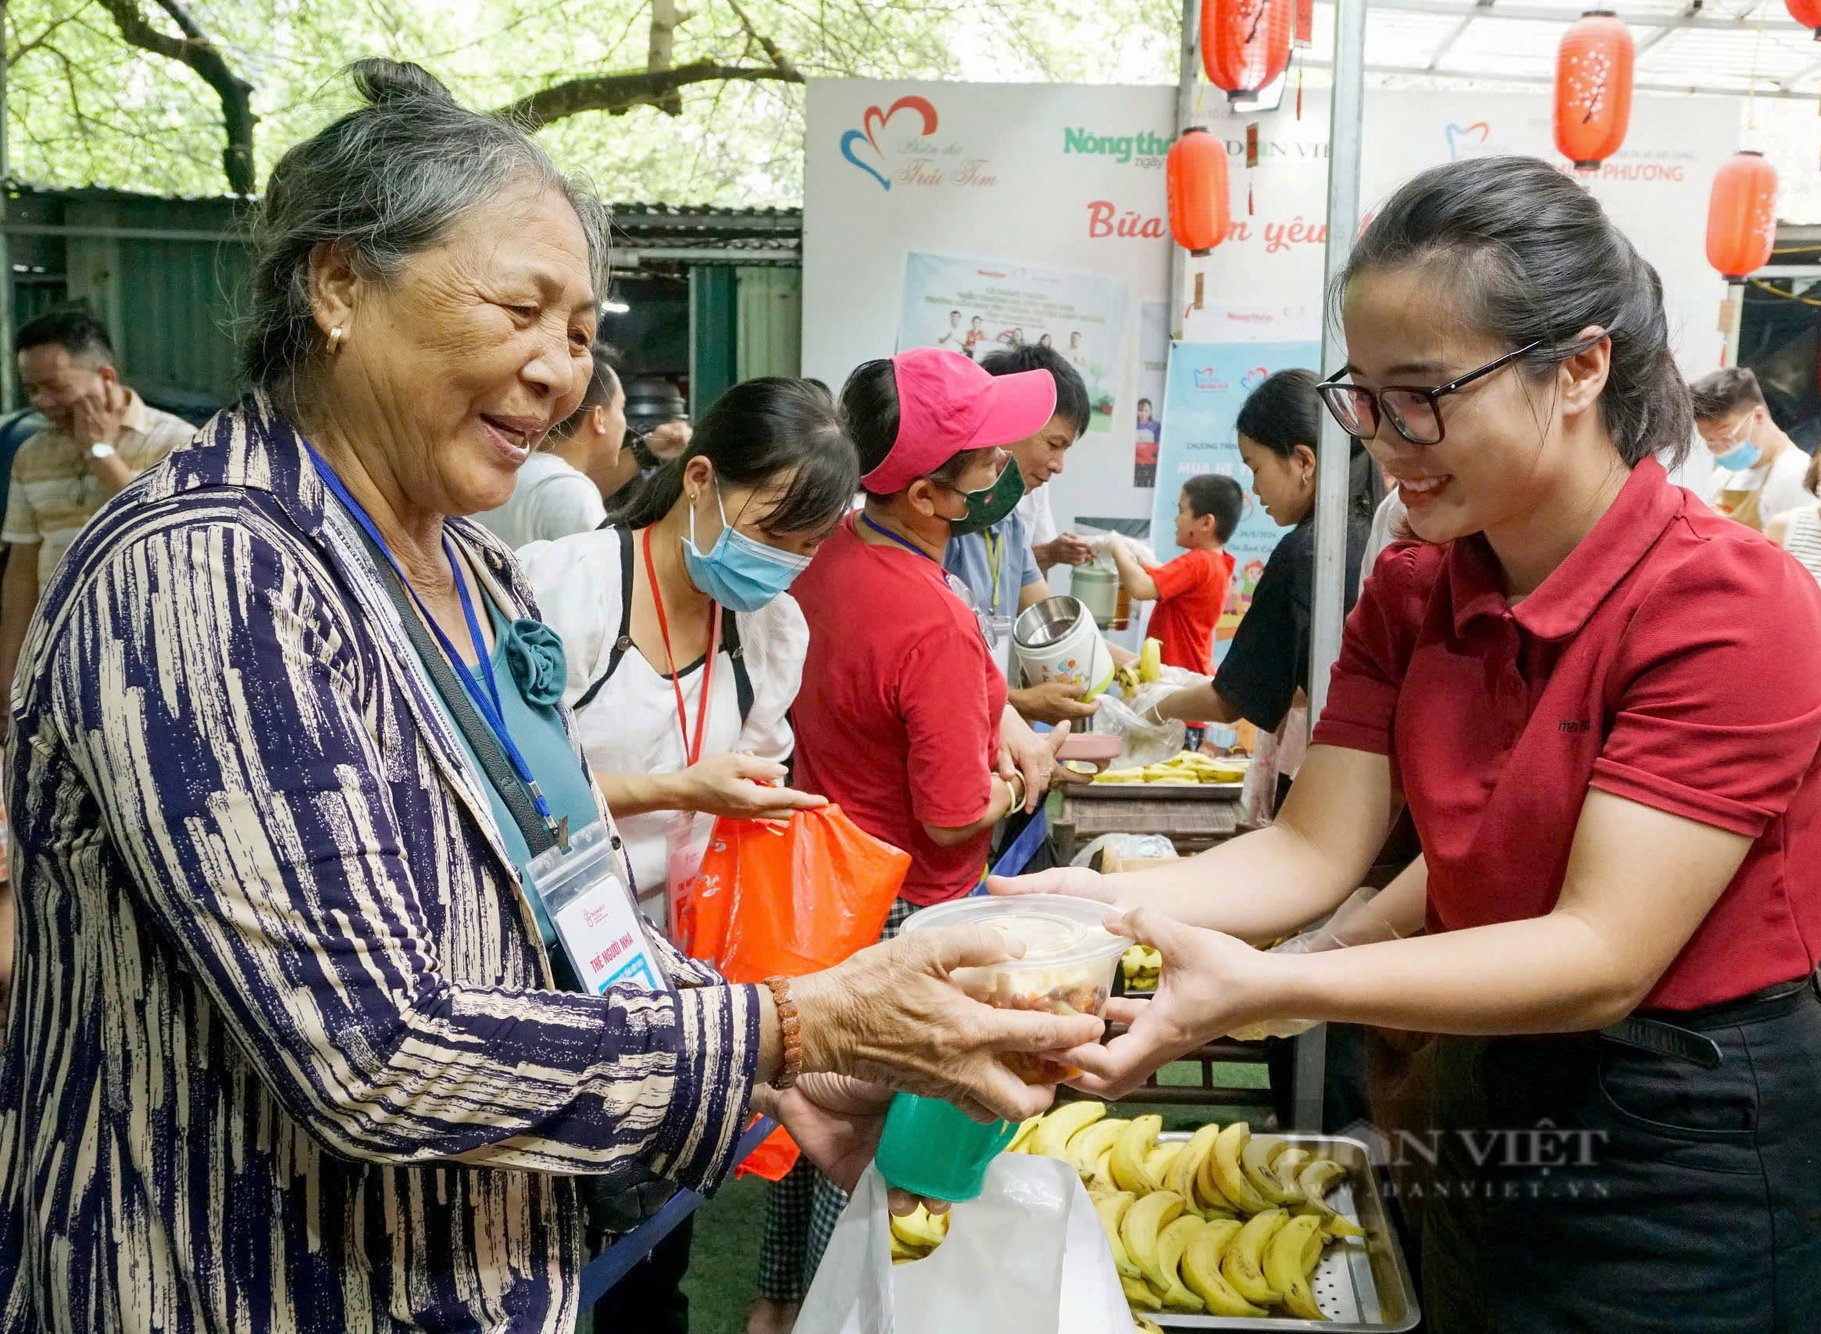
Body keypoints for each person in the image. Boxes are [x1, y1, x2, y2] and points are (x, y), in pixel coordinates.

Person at [0, 62, 1104, 1334]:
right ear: (340, 283)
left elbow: (574, 916)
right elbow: (374, 1049)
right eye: (520, 309)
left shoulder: (473, 574)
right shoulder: (207, 571)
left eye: (579, 333)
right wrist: (792, 1028)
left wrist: (797, 1063)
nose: (559, 374)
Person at [1002, 155, 1821, 1333]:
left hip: (1683, 1129)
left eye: (1425, 394)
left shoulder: (1726, 605)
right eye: (1365, 398)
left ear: (1579, 366)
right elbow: (1309, 846)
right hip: (1484, 1063)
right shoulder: (1415, 585)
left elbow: (1602, 948)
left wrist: (1286, 978)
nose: (1387, 439)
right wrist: (1085, 909)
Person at [518, 376, 849, 1333]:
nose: (783, 564)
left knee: (650, 1257)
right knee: (530, 1246)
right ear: (698, 477)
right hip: (540, 963)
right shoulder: (562, 587)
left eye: (807, 546)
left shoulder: (771, 630)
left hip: (673, 972)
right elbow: (498, 804)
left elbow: (748, 797)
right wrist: (673, 788)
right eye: (773, 530)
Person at [773, 348, 1074, 1300]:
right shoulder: (926, 616)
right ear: (932, 495)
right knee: (876, 1182)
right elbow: (949, 820)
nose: (1010, 469)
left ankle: (779, 1308)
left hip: (821, 905)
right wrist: (1023, 784)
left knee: (799, 1141)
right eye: (991, 458)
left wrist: (1004, 716)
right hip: (911, 920)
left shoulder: (829, 558)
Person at [0, 307, 195, 691]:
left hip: (148, 661)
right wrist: (8, 670)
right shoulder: (31, 453)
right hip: (54, 663)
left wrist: (101, 454)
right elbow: (22, 569)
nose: (41, 402)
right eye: (31, 390)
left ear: (106, 378)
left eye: (54, 386)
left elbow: (165, 538)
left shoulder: (178, 443)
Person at [1146, 371, 1319, 785]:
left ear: (1303, 462)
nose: (1254, 489)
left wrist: (1153, 706)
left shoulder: (1302, 555)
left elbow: (1233, 699)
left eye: (1255, 468)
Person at [944, 343, 1105, 723]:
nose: (1058, 466)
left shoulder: (1009, 521)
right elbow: (928, 676)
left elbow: (1047, 618)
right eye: (1054, 445)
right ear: (1005, 423)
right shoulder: (940, 520)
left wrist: (1135, 668)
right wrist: (1023, 702)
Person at [477, 349, 624, 547]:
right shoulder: (571, 490)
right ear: (599, 418)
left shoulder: (502, 470)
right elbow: (600, 576)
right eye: (621, 407)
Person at [1107, 474, 1242, 675]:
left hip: (1179, 678)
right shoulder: (1218, 563)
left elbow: (1140, 588)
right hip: (1192, 673)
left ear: (1206, 523)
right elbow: (1160, 577)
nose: (1176, 519)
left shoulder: (1198, 561)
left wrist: (1114, 545)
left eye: (1181, 510)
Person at [1691, 365, 1813, 533]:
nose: (1722, 450)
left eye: (1726, 437)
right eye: (1711, 442)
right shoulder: (1723, 476)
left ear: (1758, 416)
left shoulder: (1797, 475)